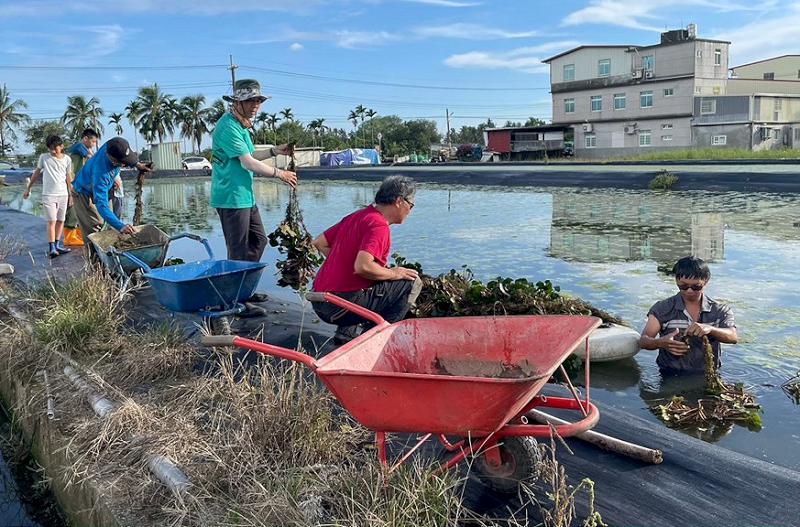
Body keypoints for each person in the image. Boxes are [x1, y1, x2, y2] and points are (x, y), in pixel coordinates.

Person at [210, 79, 297, 316]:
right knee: (237, 250)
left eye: (258, 100)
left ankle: (244, 290)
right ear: (237, 102)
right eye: (250, 101)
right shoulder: (228, 127)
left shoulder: (241, 125)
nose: (255, 105)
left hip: (244, 196)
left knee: (259, 241)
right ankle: (234, 301)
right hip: (230, 197)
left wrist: (274, 151)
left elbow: (249, 154)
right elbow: (248, 163)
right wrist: (280, 173)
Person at [311, 176, 422, 344]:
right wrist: (394, 273)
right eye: (411, 205)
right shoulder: (379, 225)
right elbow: (363, 267)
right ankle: (374, 340)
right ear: (399, 201)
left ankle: (346, 333)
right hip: (339, 307)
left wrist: (347, 266)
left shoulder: (358, 216)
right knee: (412, 282)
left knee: (375, 273)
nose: (410, 211)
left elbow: (319, 243)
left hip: (319, 301)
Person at [639, 256, 738, 373]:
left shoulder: (720, 310)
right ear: (676, 280)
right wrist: (661, 343)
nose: (689, 291)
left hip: (708, 374)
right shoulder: (662, 308)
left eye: (696, 287)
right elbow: (643, 341)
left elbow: (733, 337)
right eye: (684, 286)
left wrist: (710, 329)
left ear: (706, 281)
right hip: (670, 373)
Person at [71, 136, 150, 238]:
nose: (125, 165)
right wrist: (121, 226)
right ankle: (93, 252)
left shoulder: (113, 144)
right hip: (83, 192)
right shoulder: (101, 174)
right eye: (123, 163)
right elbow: (102, 205)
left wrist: (139, 165)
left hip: (102, 187)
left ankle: (111, 249)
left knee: (110, 223)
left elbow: (126, 155)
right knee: (95, 228)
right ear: (113, 160)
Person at [22, 135, 73, 258]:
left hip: (63, 194)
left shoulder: (67, 159)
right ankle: (51, 248)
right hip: (49, 195)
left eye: (55, 148)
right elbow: (36, 173)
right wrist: (28, 188)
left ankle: (57, 245)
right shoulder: (44, 158)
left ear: (61, 146)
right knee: (52, 221)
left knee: (61, 221)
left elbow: (68, 177)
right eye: (50, 148)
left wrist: (71, 195)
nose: (52, 151)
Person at [63, 128, 99, 245]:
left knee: (82, 214)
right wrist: (71, 189)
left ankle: (78, 233)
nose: (94, 144)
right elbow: (71, 172)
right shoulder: (76, 154)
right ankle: (69, 237)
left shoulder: (84, 153)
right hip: (75, 187)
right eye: (93, 141)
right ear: (85, 139)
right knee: (72, 213)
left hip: (83, 187)